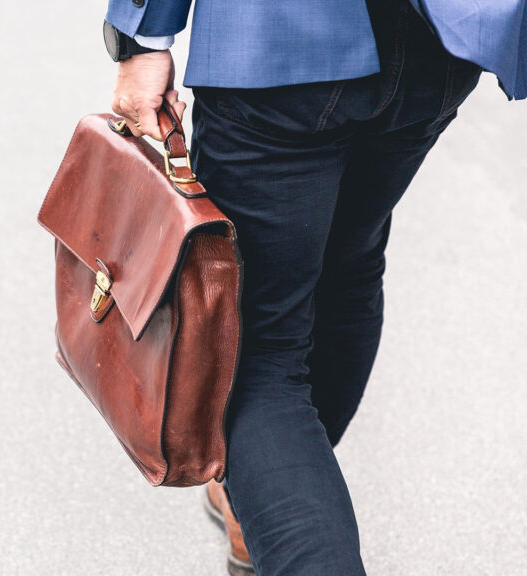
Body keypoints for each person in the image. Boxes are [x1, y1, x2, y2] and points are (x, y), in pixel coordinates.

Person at [102, 0, 526, 575]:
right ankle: (266, 497)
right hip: (441, 45)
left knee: (253, 353)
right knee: (347, 265)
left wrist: (142, 36)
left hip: (281, 39)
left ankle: (276, 499)